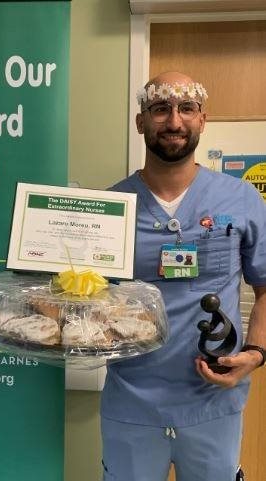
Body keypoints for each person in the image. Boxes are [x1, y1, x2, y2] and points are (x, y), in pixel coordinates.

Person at [101, 71, 266, 481]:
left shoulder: (241, 198)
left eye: (187, 109)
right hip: (131, 403)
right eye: (160, 109)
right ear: (141, 122)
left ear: (202, 120)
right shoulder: (109, 207)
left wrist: (258, 353)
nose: (174, 121)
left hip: (213, 402)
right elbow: (86, 302)